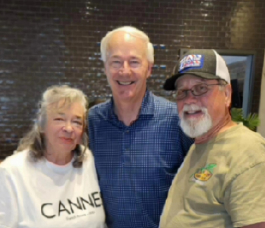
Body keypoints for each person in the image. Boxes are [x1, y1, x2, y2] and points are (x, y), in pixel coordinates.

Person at [88, 26, 193, 228]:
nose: (124, 70)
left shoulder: (176, 119)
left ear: (149, 69)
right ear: (105, 67)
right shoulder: (93, 120)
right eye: (116, 62)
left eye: (134, 62)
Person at [160, 49, 265, 228]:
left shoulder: (248, 152)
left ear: (227, 94)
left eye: (201, 88)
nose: (189, 100)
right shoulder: (202, 142)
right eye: (182, 91)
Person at [0, 85, 106, 228]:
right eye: (59, 119)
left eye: (76, 122)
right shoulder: (11, 172)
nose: (68, 128)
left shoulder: (88, 159)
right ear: (42, 126)